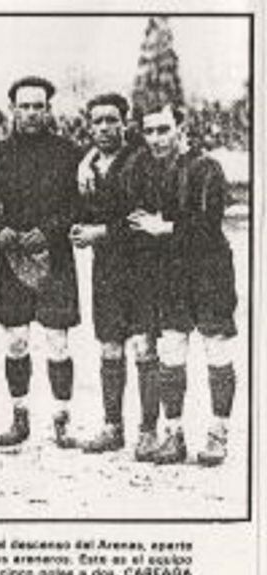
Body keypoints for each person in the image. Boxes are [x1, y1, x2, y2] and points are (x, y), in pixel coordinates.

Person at [121, 103, 238, 466]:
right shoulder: (143, 170)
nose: (156, 138)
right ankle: (174, 435)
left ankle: (218, 434)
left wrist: (167, 227)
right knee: (172, 348)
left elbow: (210, 223)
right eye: (149, 131)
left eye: (163, 129)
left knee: (216, 347)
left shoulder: (206, 168)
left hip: (209, 270)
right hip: (168, 273)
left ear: (180, 128)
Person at [0, 76, 83, 447]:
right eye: (24, 106)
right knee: (17, 339)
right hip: (12, 255)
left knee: (57, 339)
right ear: (13, 109)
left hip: (55, 256)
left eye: (38, 106)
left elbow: (77, 203)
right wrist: (0, 229)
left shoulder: (67, 151)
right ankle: (19, 416)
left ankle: (62, 420)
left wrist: (52, 231)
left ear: (48, 109)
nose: (31, 113)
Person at [70, 93, 161, 457]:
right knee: (109, 344)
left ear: (125, 123)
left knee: (143, 345)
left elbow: (144, 217)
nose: (104, 127)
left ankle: (149, 431)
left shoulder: (142, 160)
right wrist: (81, 229)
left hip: (140, 266)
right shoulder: (89, 165)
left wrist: (100, 232)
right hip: (106, 269)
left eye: (112, 120)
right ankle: (112, 427)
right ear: (89, 126)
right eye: (98, 121)